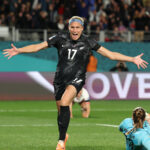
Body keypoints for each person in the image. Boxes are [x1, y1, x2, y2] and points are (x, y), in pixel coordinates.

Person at [2, 16, 148, 150]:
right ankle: (64, 135)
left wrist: (132, 59)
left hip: (77, 78)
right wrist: (19, 50)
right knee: (61, 113)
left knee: (65, 102)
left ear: (82, 28)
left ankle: (60, 142)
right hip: (59, 79)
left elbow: (111, 55)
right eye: (72, 27)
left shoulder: (88, 41)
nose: (75, 30)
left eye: (78, 27)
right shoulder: (59, 38)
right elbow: (38, 46)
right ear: (69, 27)